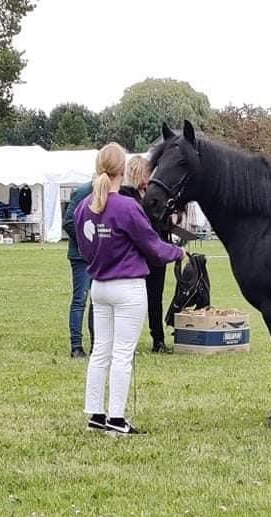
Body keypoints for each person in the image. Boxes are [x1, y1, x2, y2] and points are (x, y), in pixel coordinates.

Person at [74, 143, 184, 435]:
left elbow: (86, 249)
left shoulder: (84, 207)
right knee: (123, 354)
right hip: (128, 288)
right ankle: (117, 419)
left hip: (100, 286)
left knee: (101, 352)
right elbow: (153, 246)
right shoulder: (127, 207)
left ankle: (96, 414)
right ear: (123, 170)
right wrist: (178, 253)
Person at [120, 155, 174, 353]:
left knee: (155, 297)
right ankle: (130, 339)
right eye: (147, 172)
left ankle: (158, 339)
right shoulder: (126, 196)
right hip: (139, 254)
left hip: (156, 253)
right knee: (134, 297)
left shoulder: (153, 195)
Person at [63, 181, 94, 358]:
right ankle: (76, 345)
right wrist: (87, 243)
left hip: (96, 256)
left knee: (96, 301)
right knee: (80, 300)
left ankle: (96, 344)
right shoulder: (83, 191)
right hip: (81, 256)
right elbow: (68, 222)